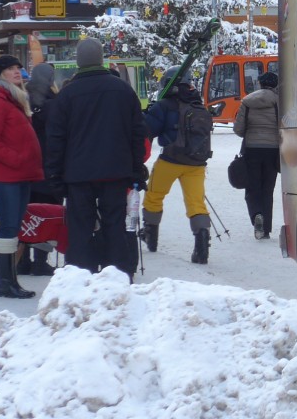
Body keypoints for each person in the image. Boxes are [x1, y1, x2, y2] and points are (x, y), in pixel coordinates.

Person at [44, 39, 147, 278]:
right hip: (116, 172)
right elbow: (137, 133)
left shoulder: (67, 94)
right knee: (115, 226)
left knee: (80, 228)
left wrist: (55, 176)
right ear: (101, 59)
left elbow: (56, 139)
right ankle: (119, 276)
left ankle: (81, 278)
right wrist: (135, 167)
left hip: (78, 174)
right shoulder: (123, 90)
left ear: (79, 61)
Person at [0, 55, 44, 298]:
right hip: (6, 176)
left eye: (18, 68)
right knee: (9, 227)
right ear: (0, 73)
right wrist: (17, 160)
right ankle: (5, 283)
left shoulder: (13, 99)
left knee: (14, 226)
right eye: (11, 68)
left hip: (19, 175)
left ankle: (11, 281)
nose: (16, 72)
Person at [143, 68, 213, 263]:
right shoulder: (198, 105)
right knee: (196, 203)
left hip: (170, 161)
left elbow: (147, 129)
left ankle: (151, 234)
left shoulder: (164, 106)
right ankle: (202, 241)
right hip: (196, 164)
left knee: (154, 196)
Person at [17, 62, 61, 276]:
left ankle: (22, 260)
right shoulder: (54, 104)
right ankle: (40, 261)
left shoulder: (21, 99)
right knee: (46, 215)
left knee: (25, 213)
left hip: (25, 168)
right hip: (48, 168)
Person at [233, 70, 281, 240]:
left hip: (252, 150)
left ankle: (256, 216)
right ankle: (266, 229)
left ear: (260, 84)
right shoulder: (279, 102)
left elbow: (238, 130)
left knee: (252, 188)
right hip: (273, 151)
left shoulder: (247, 102)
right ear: (275, 85)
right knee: (267, 190)